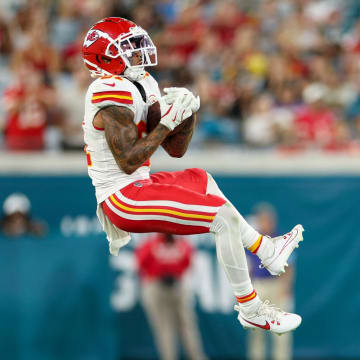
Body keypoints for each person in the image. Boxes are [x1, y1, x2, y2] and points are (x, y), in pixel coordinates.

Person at [81, 17, 304, 335]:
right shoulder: (106, 92)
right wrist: (167, 123)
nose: (136, 51)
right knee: (221, 218)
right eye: (126, 47)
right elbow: (130, 159)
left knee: (202, 178)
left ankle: (265, 249)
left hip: (139, 183)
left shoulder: (141, 81)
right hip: (122, 197)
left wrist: (185, 114)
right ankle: (251, 308)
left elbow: (175, 150)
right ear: (105, 56)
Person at [135, 233, 207, 360]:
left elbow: (188, 262)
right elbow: (140, 263)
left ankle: (197, 357)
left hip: (177, 285)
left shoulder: (181, 243)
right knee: (164, 329)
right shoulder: (151, 243)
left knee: (188, 326)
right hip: (156, 285)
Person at [246, 202, 296, 360]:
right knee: (256, 330)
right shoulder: (253, 240)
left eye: (267, 220)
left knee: (280, 331)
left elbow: (290, 267)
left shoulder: (282, 240)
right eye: (261, 220)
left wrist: (285, 289)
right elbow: (247, 268)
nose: (265, 223)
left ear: (273, 221)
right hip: (259, 287)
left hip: (277, 285)